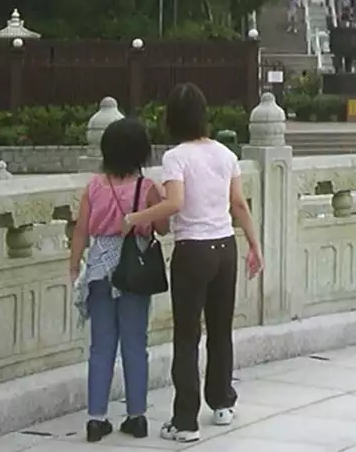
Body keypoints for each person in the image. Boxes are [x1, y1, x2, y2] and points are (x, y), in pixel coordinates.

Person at [123, 83, 262, 443]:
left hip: (193, 251)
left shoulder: (176, 157)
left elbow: (175, 204)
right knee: (220, 330)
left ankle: (185, 421)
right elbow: (239, 205)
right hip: (225, 248)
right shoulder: (224, 154)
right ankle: (222, 402)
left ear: (172, 118)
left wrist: (135, 218)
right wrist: (255, 245)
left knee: (187, 336)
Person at [68, 118, 164, 442]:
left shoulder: (94, 186)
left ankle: (96, 419)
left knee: (101, 346)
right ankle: (136, 416)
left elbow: (81, 229)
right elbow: (163, 227)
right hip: (134, 268)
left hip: (99, 269)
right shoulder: (147, 187)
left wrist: (73, 266)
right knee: (136, 344)